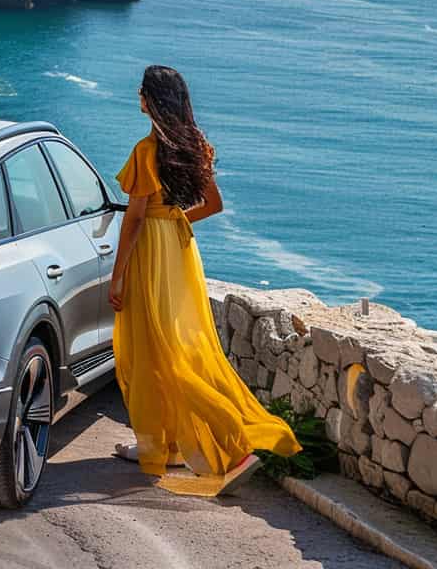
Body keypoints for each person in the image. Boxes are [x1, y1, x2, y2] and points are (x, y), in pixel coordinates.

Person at [110, 64, 302, 496]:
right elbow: (213, 204)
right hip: (181, 249)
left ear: (152, 100)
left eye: (142, 92)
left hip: (152, 255)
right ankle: (164, 445)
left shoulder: (146, 150)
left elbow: (135, 219)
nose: (138, 97)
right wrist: (177, 218)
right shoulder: (195, 146)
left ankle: (232, 440)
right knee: (180, 343)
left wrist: (118, 276)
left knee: (156, 350)